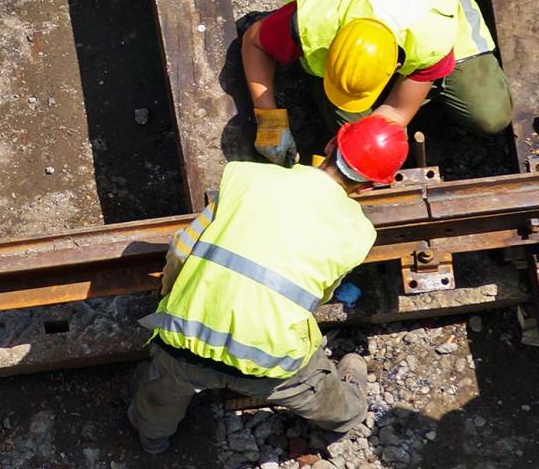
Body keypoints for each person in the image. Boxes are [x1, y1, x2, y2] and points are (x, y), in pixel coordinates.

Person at [127, 116, 411, 454]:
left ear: (331, 145)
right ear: (370, 186)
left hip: (184, 339)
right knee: (318, 392)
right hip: (267, 363)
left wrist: (172, 294)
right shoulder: (359, 234)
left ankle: (153, 440)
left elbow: (181, 249)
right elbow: (320, 296)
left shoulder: (249, 177)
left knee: (161, 393)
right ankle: (349, 416)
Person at [241, 0, 512, 167]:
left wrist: (370, 141)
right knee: (362, 142)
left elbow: (397, 109)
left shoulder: (431, 37)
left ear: (396, 66)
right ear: (333, 47)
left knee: (491, 115)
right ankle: (330, 91)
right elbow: (254, 42)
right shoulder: (313, 20)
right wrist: (269, 121)